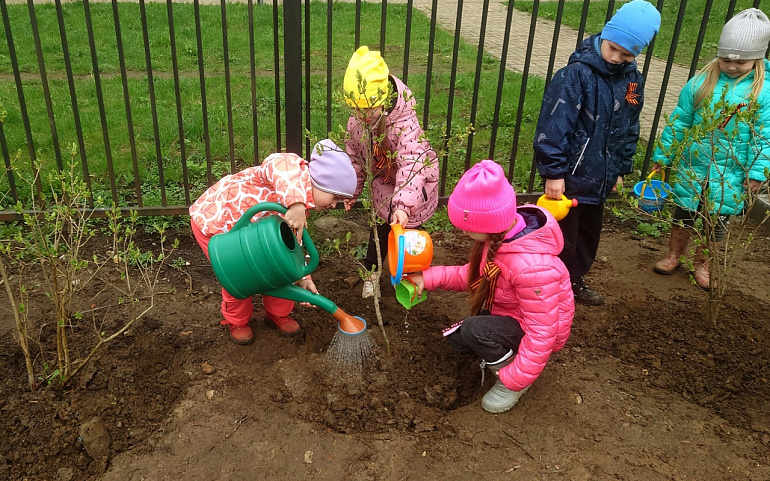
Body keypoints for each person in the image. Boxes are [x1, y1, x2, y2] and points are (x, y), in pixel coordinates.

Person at [408, 160, 574, 414]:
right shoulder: (501, 240)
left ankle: (511, 378)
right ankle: (498, 353)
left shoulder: (533, 269)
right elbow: (473, 276)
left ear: (487, 224)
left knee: (474, 330)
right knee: (460, 339)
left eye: (467, 229)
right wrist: (428, 278)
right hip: (512, 314)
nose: (464, 234)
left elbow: (542, 334)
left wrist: (515, 379)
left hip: (534, 329)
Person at [533, 0, 661, 305]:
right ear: (605, 35)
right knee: (562, 235)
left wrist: (620, 168)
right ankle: (548, 284)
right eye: (613, 48)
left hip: (601, 177)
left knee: (587, 235)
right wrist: (553, 172)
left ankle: (573, 280)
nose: (616, 58)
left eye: (626, 54)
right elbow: (554, 125)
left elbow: (630, 124)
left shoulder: (632, 81)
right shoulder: (575, 75)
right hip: (570, 177)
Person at [189, 139, 357, 345]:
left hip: (255, 239)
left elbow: (290, 246)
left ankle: (277, 314)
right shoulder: (292, 171)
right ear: (319, 182)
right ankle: (237, 321)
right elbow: (275, 162)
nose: (334, 205)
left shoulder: (301, 210)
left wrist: (302, 276)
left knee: (280, 270)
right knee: (239, 275)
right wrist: (296, 203)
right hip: (217, 225)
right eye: (334, 197)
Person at [651, 8, 770, 289]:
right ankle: (674, 255)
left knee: (716, 224)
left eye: (741, 62)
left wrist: (757, 172)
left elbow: (764, 136)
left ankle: (702, 264)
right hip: (694, 167)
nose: (732, 66)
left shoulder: (762, 92)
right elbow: (680, 122)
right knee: (683, 216)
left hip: (731, 174)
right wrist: (664, 156)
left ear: (758, 58)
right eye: (726, 59)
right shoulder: (701, 82)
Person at [342, 45, 440, 298]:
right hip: (383, 183)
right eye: (356, 109)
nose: (361, 115)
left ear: (383, 101)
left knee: (409, 237)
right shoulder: (357, 122)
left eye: (368, 109)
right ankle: (372, 272)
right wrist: (352, 190)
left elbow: (412, 165)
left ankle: (409, 276)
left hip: (414, 187)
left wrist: (404, 206)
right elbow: (356, 159)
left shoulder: (405, 124)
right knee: (380, 228)